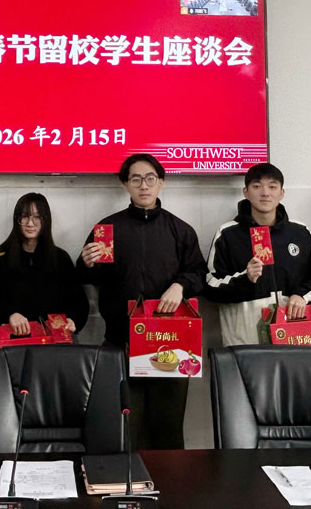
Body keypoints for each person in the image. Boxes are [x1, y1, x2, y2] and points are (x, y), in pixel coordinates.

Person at [77, 154, 206, 450]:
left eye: (150, 179)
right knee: (125, 427)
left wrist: (180, 285)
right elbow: (89, 277)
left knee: (168, 428)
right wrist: (86, 262)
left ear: (161, 182)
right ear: (125, 185)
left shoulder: (180, 230)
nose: (143, 185)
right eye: (135, 179)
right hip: (120, 341)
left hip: (171, 343)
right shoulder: (107, 229)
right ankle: (126, 478)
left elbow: (199, 273)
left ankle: (170, 479)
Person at [204, 163, 311, 346]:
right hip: (244, 343)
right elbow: (210, 287)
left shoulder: (300, 232)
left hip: (294, 338)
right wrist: (245, 279)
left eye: (272, 186)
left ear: (282, 193)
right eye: (257, 186)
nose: (265, 193)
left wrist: (302, 296)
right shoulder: (228, 234)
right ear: (246, 192)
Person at [0, 192, 89, 335]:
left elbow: (78, 301)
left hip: (53, 341)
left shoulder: (60, 259)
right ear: (17, 220)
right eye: (24, 217)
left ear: (46, 220)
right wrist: (8, 315)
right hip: (11, 341)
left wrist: (73, 320)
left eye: (37, 217)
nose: (30, 223)